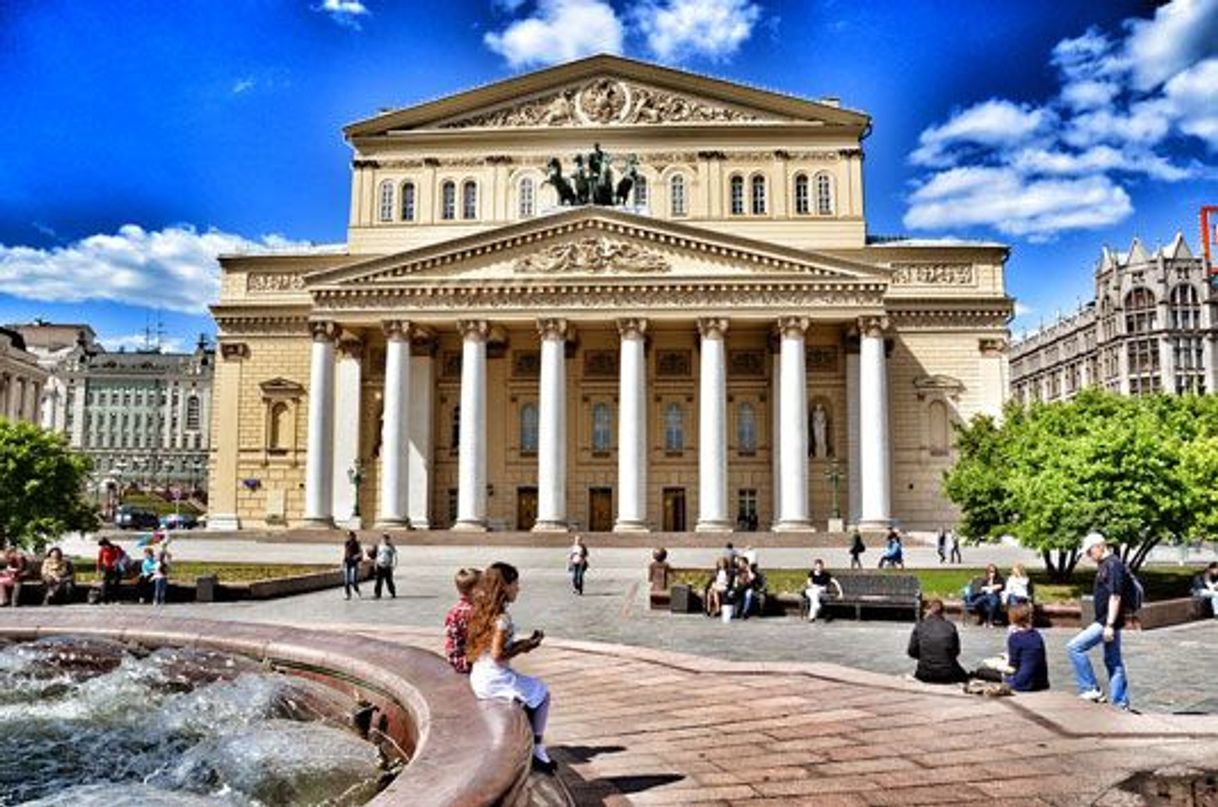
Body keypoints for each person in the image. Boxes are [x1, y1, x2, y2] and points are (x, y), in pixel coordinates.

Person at [467, 562, 555, 774]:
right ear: (504, 587)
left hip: (480, 674)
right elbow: (498, 655)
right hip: (495, 679)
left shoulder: (483, 611)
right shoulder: (501, 618)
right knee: (542, 693)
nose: (518, 588)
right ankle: (537, 748)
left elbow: (493, 649)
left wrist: (524, 645)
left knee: (529, 695)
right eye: (515, 583)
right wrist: (520, 649)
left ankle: (529, 744)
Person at [1067, 532, 1130, 709]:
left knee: (1074, 647)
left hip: (1106, 622)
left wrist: (1109, 625)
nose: (1088, 555)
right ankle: (1121, 703)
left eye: (1089, 551)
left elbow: (1115, 596)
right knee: (1113, 661)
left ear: (1099, 546)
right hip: (1108, 620)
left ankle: (1090, 688)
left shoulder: (1113, 565)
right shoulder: (1105, 564)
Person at [906, 599, 968, 684]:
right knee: (963, 673)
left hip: (924, 674)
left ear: (927, 611)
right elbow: (956, 651)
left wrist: (926, 655)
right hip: (947, 674)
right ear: (943, 612)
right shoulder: (950, 626)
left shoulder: (920, 626)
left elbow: (911, 652)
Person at [1003, 602, 1049, 692]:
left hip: (1021, 683)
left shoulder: (1015, 637)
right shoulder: (1037, 634)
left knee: (984, 672)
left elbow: (1012, 666)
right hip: (1041, 682)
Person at [444, 567, 481, 674]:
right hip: (465, 662)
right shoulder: (470, 612)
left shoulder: (455, 610)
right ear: (475, 591)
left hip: (455, 658)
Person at [96, 537, 126, 604]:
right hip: (107, 567)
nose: (103, 547)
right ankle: (104, 599)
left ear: (107, 543)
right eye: (102, 546)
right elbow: (99, 560)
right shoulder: (102, 550)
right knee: (106, 583)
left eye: (104, 545)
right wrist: (98, 569)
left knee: (116, 582)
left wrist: (117, 560)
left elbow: (122, 555)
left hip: (116, 567)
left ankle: (115, 599)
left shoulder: (116, 548)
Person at [373, 534, 398, 599]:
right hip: (380, 565)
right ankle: (377, 594)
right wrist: (375, 564)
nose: (385, 540)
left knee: (389, 581)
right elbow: (377, 555)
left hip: (387, 566)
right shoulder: (379, 546)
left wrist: (394, 565)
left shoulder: (391, 547)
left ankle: (392, 592)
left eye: (386, 539)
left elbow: (395, 556)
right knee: (378, 581)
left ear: (388, 540)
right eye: (384, 539)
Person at [342, 531, 363, 600]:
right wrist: (343, 562)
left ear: (353, 536)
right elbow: (345, 552)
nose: (349, 537)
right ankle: (348, 595)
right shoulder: (346, 543)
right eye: (348, 536)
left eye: (350, 536)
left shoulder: (357, 543)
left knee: (353, 580)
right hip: (347, 562)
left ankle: (357, 590)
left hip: (354, 563)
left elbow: (360, 553)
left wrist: (356, 557)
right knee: (346, 581)